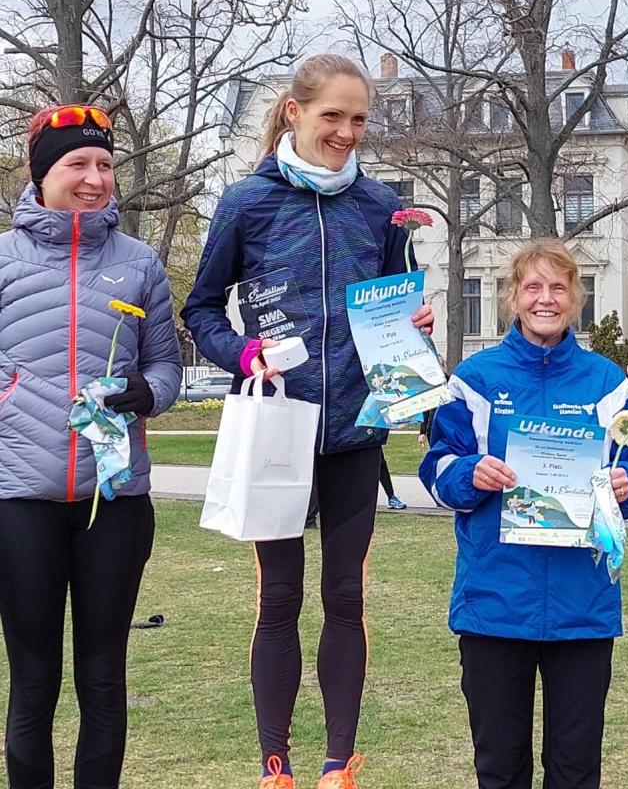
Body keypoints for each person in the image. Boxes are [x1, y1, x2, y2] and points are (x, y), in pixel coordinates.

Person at [181, 54, 433, 789]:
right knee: (280, 598)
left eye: (359, 119)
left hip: (354, 433)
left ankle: (337, 765)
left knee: (345, 596)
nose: (347, 132)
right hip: (278, 430)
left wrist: (412, 326)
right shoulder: (246, 202)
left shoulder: (381, 207)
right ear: (294, 112)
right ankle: (276, 767)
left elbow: (393, 314)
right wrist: (244, 353)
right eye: (333, 116)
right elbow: (201, 309)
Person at [420, 239, 628, 789]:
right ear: (513, 297)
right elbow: (437, 468)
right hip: (495, 603)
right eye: (532, 287)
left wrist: (626, 485)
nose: (545, 299)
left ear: (574, 298)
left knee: (575, 770)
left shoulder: (607, 383)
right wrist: (470, 474)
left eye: (557, 287)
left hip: (582, 605)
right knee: (500, 768)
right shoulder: (475, 379)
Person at [0, 105, 182, 789]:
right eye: (77, 163)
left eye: (105, 164)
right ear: (41, 173)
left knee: (103, 676)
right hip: (21, 499)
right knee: (33, 677)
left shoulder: (139, 263)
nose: (95, 178)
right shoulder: (4, 260)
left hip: (116, 501)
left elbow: (166, 367)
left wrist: (147, 392)